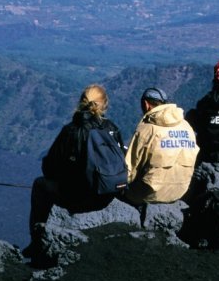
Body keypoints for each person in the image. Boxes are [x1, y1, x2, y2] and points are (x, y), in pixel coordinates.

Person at [26, 84, 125, 255]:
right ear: (104, 104)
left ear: (81, 103)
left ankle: (37, 241)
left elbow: (49, 167)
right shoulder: (112, 129)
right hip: (107, 195)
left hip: (79, 197)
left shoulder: (72, 130)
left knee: (40, 185)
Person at [124, 86, 199, 205]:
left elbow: (129, 170)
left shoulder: (147, 129)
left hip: (148, 195)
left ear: (146, 104)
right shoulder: (186, 126)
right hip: (180, 191)